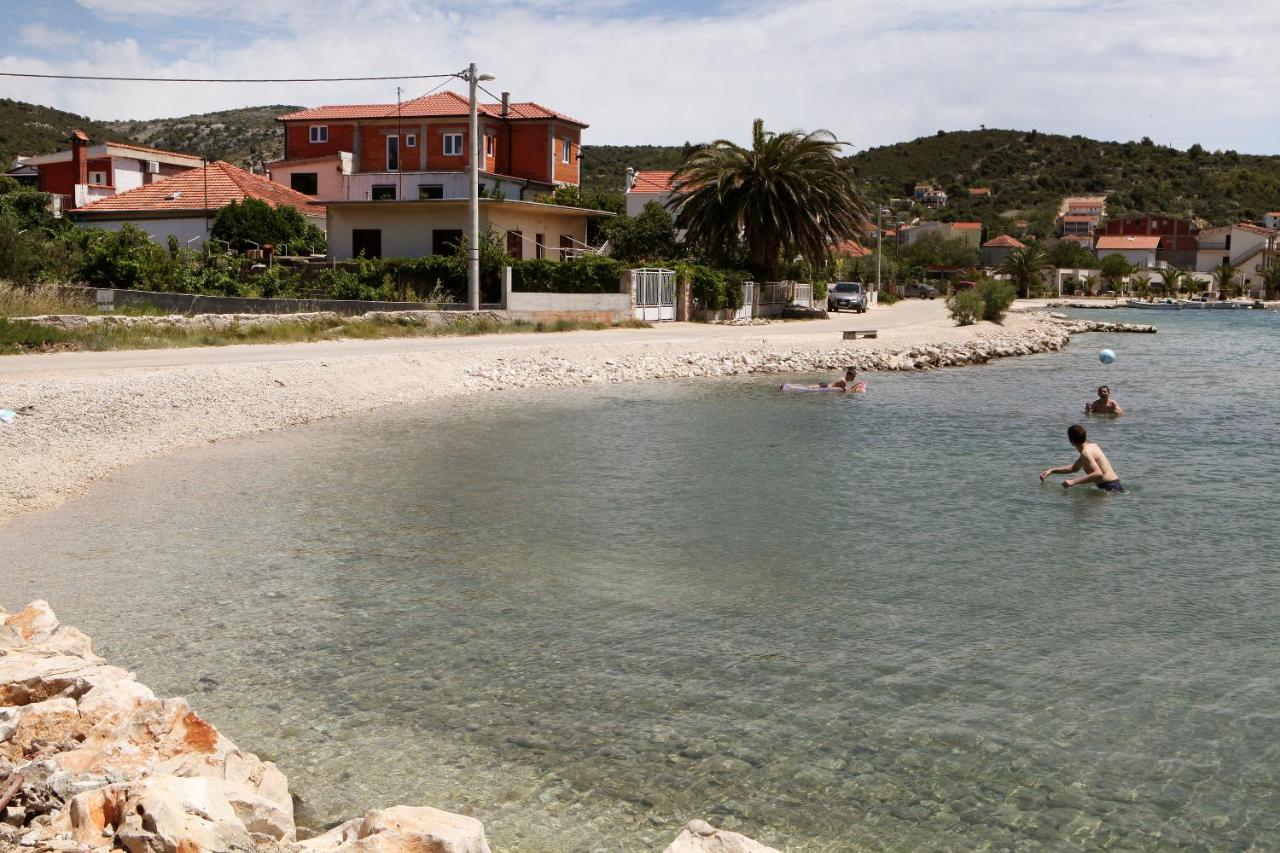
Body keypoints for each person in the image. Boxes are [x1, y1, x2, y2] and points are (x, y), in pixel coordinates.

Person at [1040, 424, 1125, 492]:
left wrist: (1073, 482)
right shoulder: (1093, 446)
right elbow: (1074, 468)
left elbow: (1098, 474)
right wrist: (1052, 470)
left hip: (1108, 488)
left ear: (1070, 440)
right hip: (1116, 485)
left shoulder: (1086, 452)